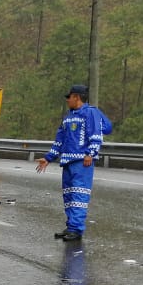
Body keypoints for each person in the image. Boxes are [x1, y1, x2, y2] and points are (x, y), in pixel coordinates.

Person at [35, 84, 112, 241]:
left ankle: (76, 229)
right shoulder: (68, 117)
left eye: (69, 97)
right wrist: (48, 158)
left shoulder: (90, 112)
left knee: (79, 194)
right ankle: (71, 226)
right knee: (69, 195)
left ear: (76, 97)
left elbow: (96, 135)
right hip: (67, 161)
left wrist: (90, 154)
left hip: (82, 162)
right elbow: (60, 140)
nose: (67, 100)